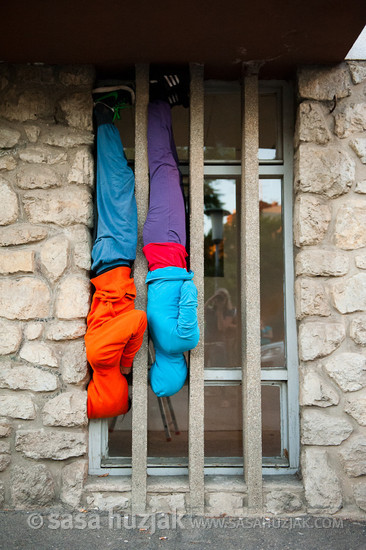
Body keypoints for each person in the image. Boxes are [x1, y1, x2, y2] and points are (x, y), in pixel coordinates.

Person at [85, 85, 147, 419]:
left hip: (114, 258)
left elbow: (137, 318)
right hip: (110, 263)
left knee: (119, 183)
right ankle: (103, 120)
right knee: (113, 187)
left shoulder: (105, 358)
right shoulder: (98, 358)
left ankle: (104, 111)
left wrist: (126, 363)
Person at [142, 73, 200, 397]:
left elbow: (190, 292)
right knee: (170, 171)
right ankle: (166, 102)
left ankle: (157, 93)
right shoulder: (159, 340)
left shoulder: (183, 341)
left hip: (168, 243)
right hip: (158, 247)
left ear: (180, 371)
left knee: (164, 168)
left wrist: (188, 279)